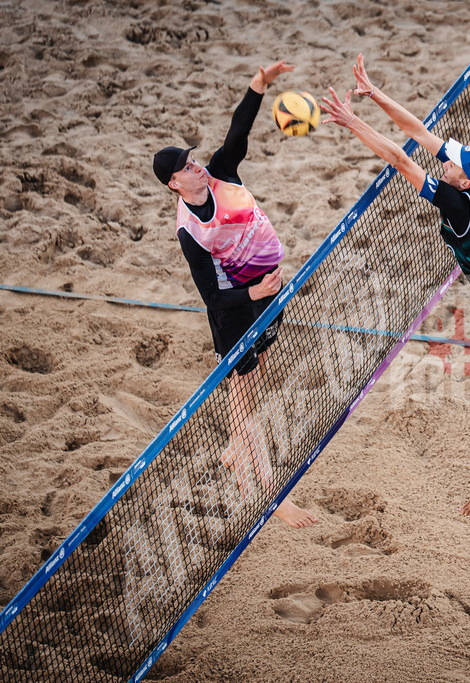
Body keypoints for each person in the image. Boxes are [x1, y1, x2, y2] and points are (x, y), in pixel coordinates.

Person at [320, 54, 470, 517]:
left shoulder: (455, 204)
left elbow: (400, 155)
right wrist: (375, 92)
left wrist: (350, 121)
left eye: (453, 163)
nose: (446, 161)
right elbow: (422, 135)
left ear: (463, 179)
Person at [153, 60, 317, 529]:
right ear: (173, 184)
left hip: (264, 292)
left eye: (193, 159)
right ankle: (271, 496)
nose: (196, 165)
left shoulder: (221, 173)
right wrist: (253, 293)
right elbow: (210, 297)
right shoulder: (189, 231)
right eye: (186, 167)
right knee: (245, 400)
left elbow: (238, 133)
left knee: (254, 376)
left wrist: (258, 85)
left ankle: (232, 450)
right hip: (235, 311)